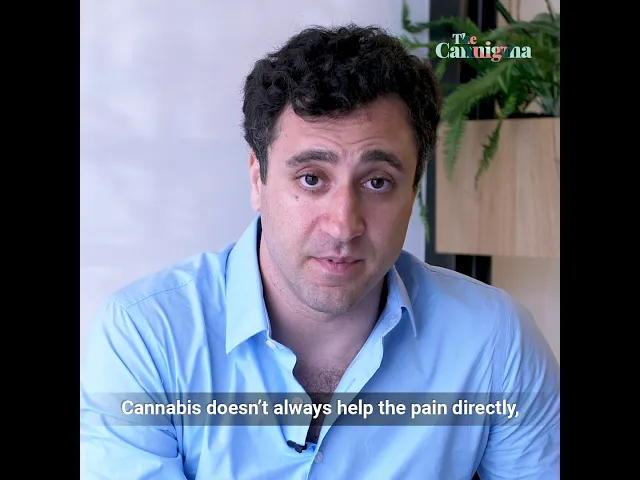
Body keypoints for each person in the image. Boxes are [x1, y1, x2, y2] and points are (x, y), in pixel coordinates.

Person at [80, 24, 560, 479]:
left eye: (378, 182)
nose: (343, 225)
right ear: (258, 178)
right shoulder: (147, 336)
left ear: (413, 191)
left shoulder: (494, 341)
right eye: (311, 178)